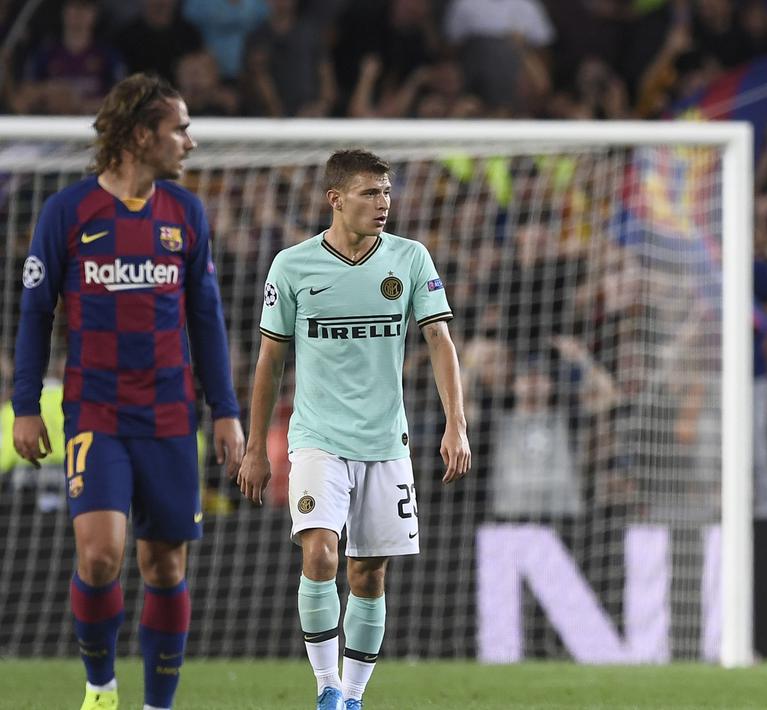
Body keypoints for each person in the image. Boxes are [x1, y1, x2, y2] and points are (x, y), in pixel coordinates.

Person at [10, 73, 244, 710]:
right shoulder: (68, 212)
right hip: (97, 412)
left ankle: (157, 706)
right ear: (142, 135)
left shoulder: (185, 214)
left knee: (165, 566)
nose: (190, 142)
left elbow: (206, 320)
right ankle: (100, 688)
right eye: (180, 129)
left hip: (170, 416)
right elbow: (35, 313)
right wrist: (25, 406)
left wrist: (225, 410)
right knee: (100, 556)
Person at [236, 149, 471, 710]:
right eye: (370, 192)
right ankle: (327, 688)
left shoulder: (410, 258)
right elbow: (270, 359)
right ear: (335, 199)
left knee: (368, 574)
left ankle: (354, 697)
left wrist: (456, 424)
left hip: (386, 442)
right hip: (317, 439)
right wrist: (255, 448)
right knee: (320, 554)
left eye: (386, 192)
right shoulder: (292, 266)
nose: (383, 203)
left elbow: (440, 340)